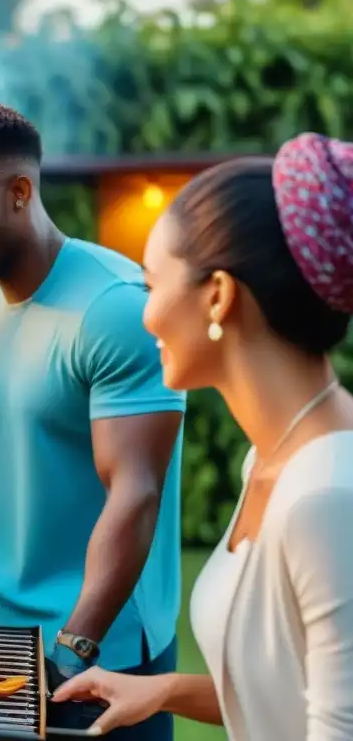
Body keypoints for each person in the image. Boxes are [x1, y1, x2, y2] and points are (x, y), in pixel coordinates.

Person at [53, 134, 353, 740]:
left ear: (217, 296)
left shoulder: (326, 496)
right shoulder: (271, 460)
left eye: (151, 283)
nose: (144, 313)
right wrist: (165, 689)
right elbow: (299, 688)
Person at [0, 102, 186, 739]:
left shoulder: (117, 308)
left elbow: (136, 493)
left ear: (19, 192)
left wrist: (72, 651)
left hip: (104, 653)